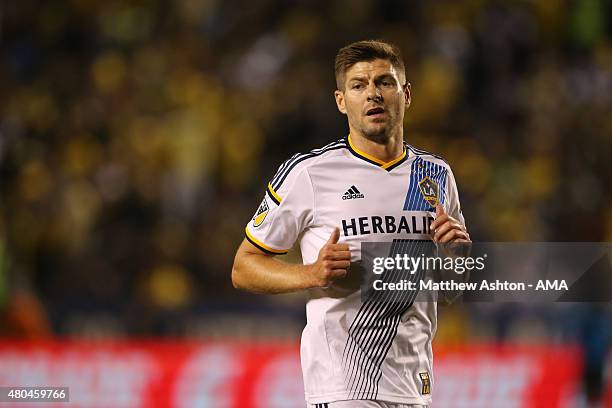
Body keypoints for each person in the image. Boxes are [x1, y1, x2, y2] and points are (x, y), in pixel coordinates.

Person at [232, 40, 470, 408]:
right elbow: (243, 268)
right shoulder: (309, 173)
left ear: (405, 95)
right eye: (358, 85)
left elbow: (450, 291)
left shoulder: (436, 175)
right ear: (342, 101)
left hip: (414, 385)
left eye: (384, 82)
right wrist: (311, 274)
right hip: (344, 385)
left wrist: (457, 257)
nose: (372, 94)